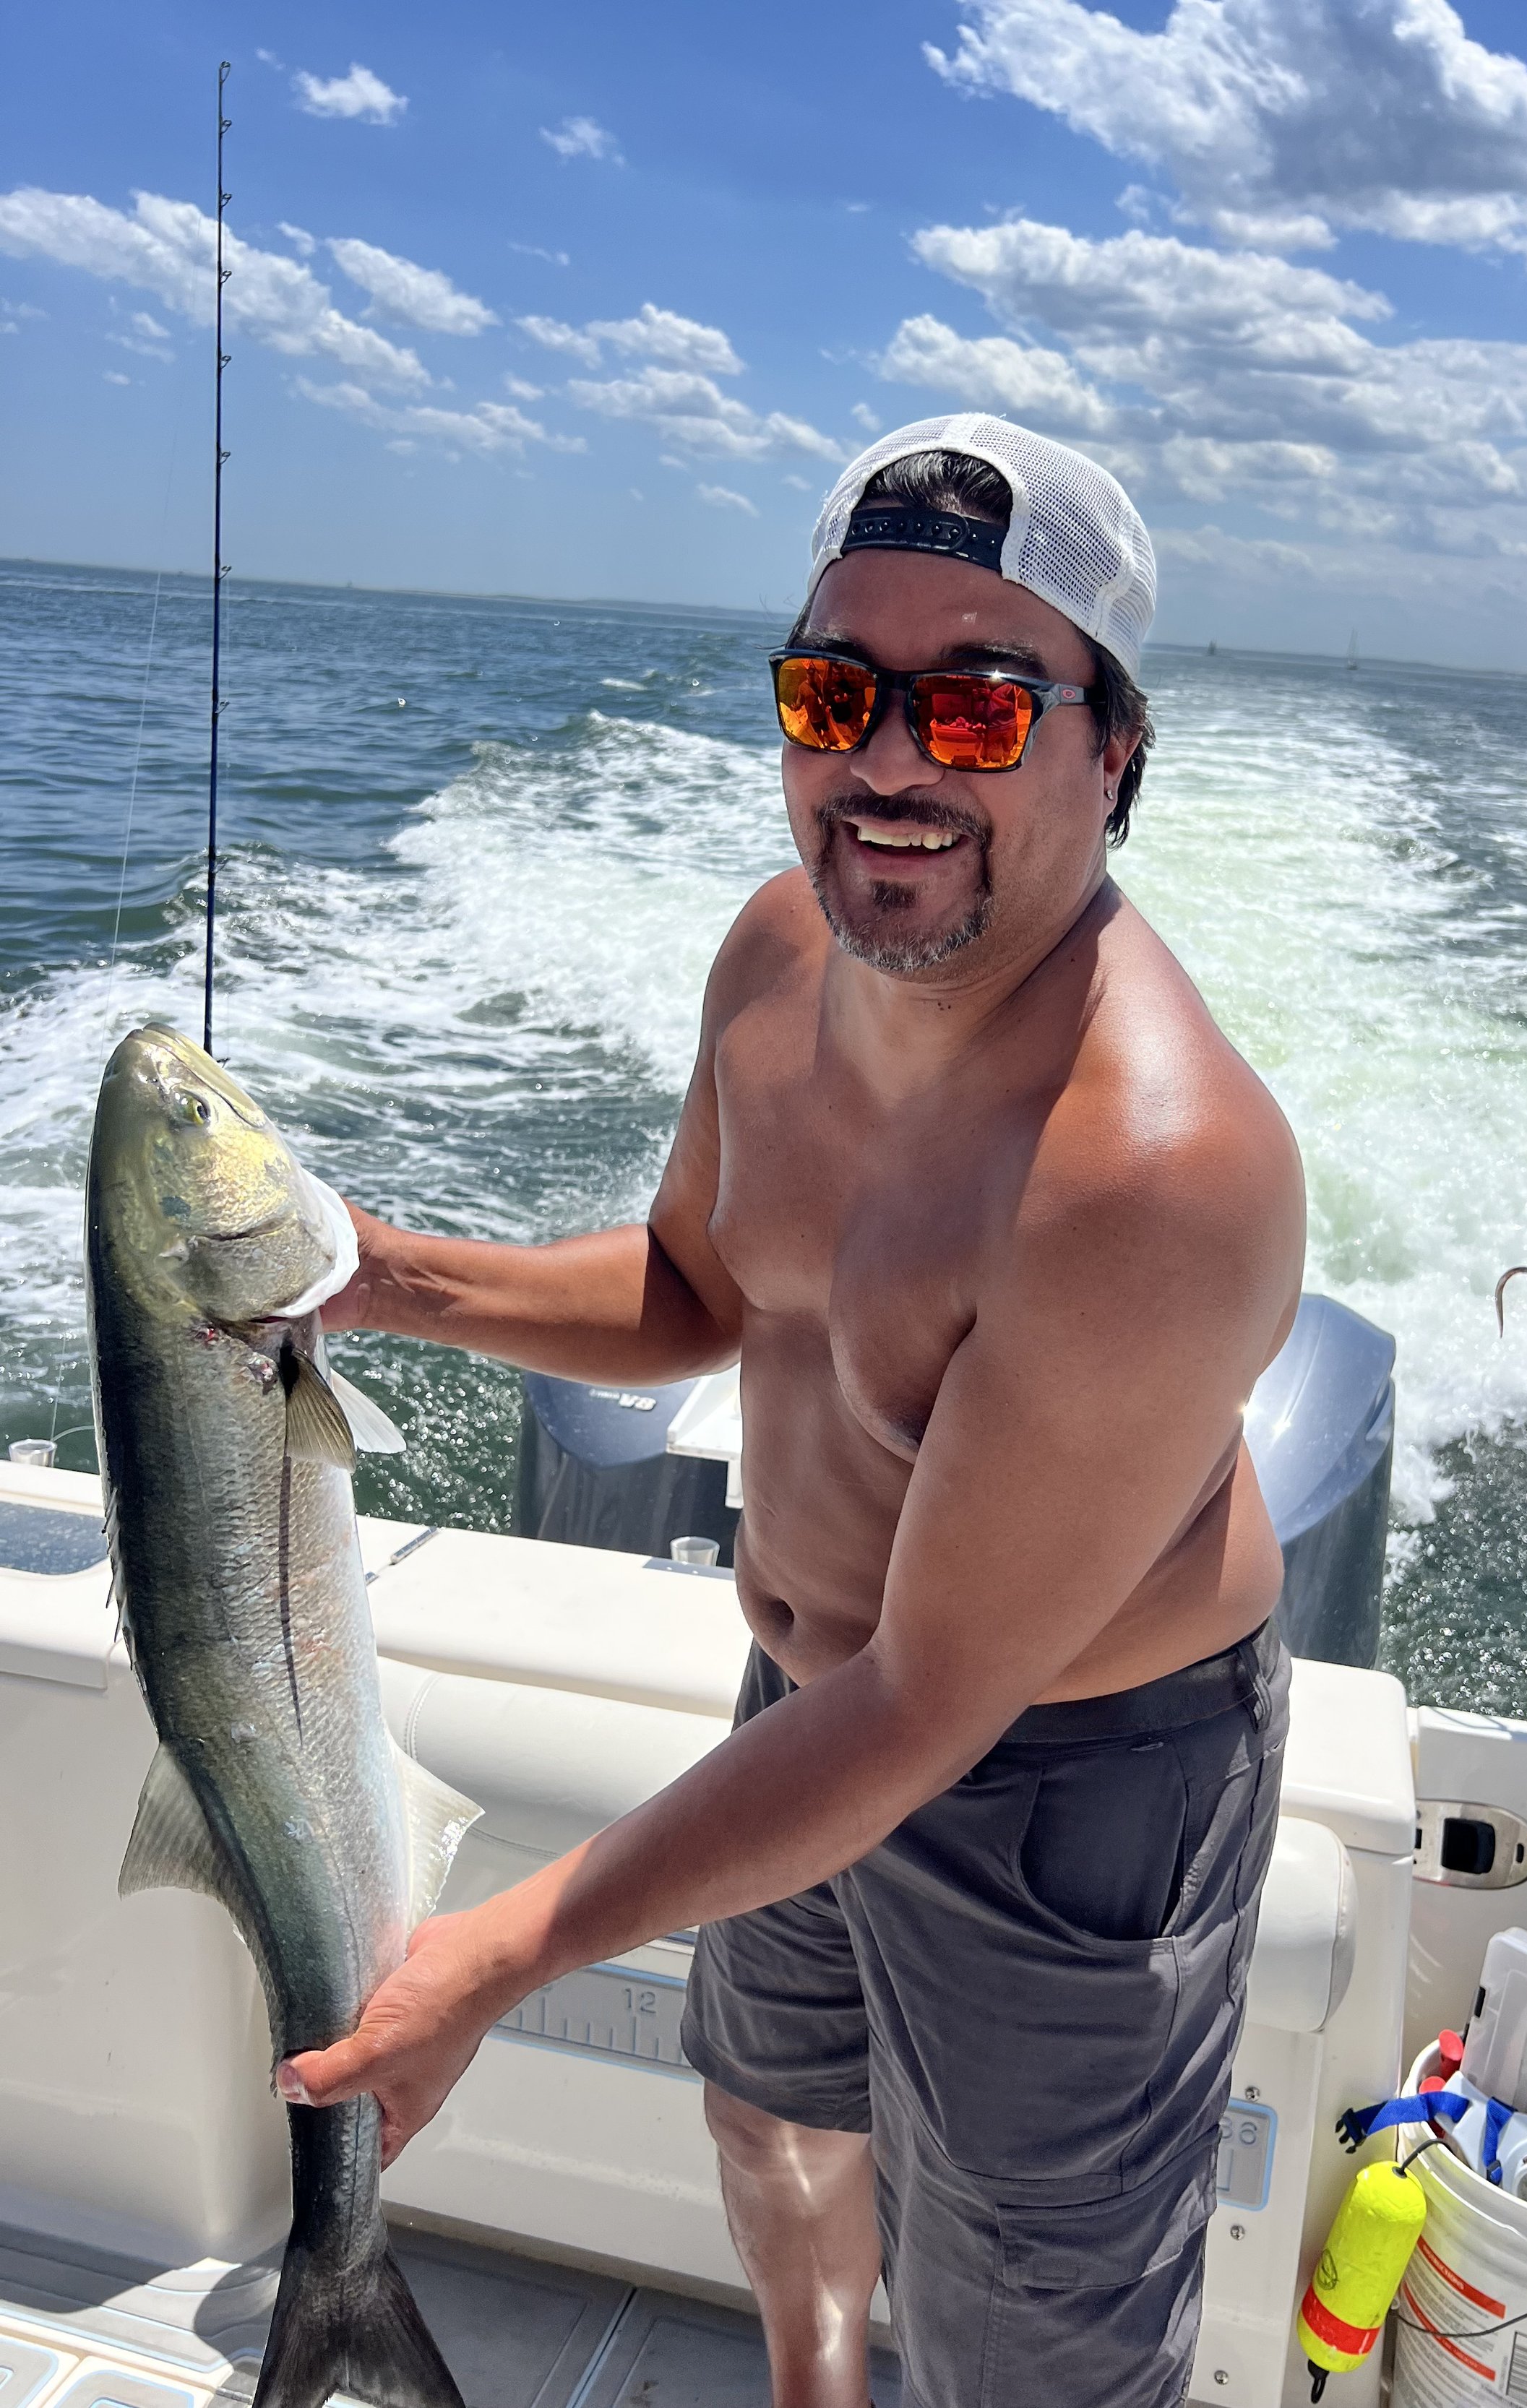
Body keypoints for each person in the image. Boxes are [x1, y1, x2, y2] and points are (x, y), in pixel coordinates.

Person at [285, 413, 1307, 2408]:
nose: (891, 764)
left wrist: (489, 1956)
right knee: (772, 2119)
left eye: (981, 706)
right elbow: (700, 1289)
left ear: (1114, 750)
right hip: (800, 1710)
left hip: (1059, 1785)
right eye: (837, 694)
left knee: (1028, 2333)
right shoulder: (775, 954)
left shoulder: (1155, 1174)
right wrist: (384, 1276)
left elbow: (929, 1702)